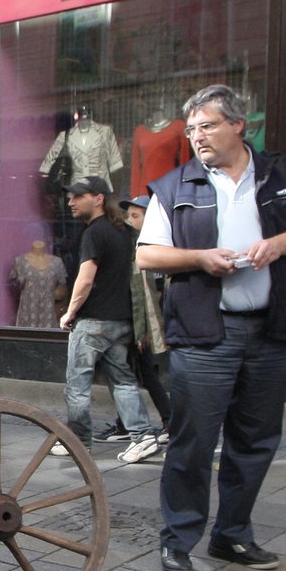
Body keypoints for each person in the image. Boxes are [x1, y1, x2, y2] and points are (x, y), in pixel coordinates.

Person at [136, 84, 286, 571]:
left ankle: (233, 537)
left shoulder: (283, 177)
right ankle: (177, 541)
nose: (198, 136)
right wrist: (200, 258)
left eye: (208, 125)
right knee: (192, 442)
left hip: (271, 331)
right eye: (193, 128)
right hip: (205, 335)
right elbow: (147, 254)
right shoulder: (175, 186)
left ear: (238, 126)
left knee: (256, 440)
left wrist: (279, 245)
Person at [50, 176, 158, 459]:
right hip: (121, 321)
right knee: (122, 381)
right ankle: (143, 435)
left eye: (78, 196)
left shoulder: (94, 233)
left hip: (94, 322)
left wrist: (70, 312)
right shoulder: (122, 231)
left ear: (98, 199)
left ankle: (78, 440)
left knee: (77, 385)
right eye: (70, 197)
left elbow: (85, 279)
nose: (71, 202)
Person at [94, 195, 172, 458]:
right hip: (133, 323)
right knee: (130, 374)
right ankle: (133, 424)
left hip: (141, 326)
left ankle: (162, 423)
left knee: (135, 374)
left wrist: (143, 330)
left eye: (136, 216)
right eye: (129, 215)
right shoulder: (131, 245)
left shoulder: (147, 249)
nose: (130, 220)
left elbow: (146, 296)